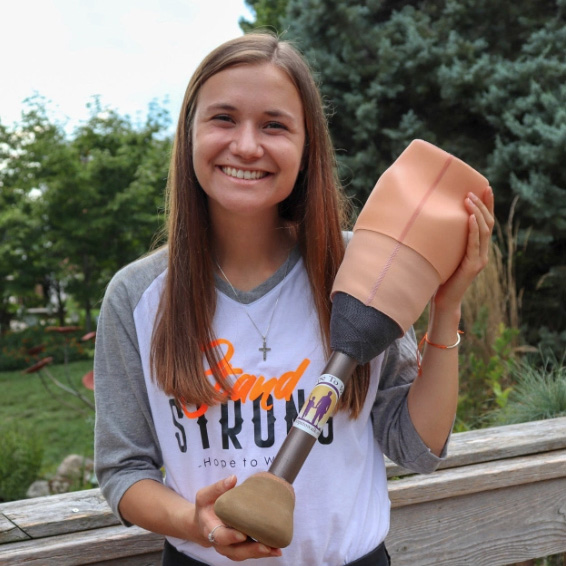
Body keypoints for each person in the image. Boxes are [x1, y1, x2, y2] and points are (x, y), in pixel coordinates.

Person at [94, 32, 494, 566]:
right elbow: (124, 471)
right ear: (189, 133)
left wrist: (447, 307)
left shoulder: (365, 271)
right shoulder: (137, 296)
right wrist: (196, 522)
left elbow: (414, 447)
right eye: (223, 118)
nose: (246, 145)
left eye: (275, 125)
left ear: (308, 149)